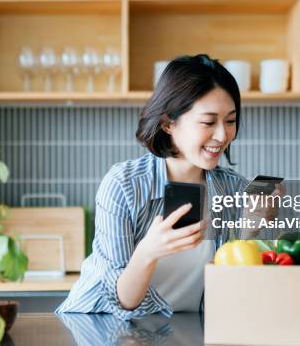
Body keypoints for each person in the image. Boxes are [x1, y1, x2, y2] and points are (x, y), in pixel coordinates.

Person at [56, 54, 279, 320]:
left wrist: (251, 230)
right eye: (208, 122)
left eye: (230, 121)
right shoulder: (124, 185)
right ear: (168, 123)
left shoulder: (235, 192)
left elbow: (234, 295)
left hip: (180, 330)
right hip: (99, 326)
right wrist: (147, 252)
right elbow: (122, 301)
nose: (222, 135)